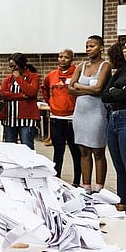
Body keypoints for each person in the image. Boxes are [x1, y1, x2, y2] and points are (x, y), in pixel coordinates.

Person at [102, 36, 126, 220]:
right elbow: (105, 95)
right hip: (114, 120)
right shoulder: (120, 72)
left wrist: (117, 92)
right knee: (119, 167)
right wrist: (118, 92)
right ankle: (121, 204)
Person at [68, 35, 111, 194]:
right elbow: (70, 89)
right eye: (86, 46)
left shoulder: (105, 65)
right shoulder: (81, 66)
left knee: (98, 151)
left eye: (92, 46)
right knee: (83, 151)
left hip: (97, 113)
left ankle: (100, 189)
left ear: (100, 47)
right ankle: (86, 188)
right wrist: (85, 90)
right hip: (80, 113)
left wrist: (79, 87)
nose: (88, 49)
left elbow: (99, 89)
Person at [41, 49, 81, 186]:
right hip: (56, 116)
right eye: (60, 56)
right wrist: (50, 103)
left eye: (66, 57)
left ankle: (77, 181)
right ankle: (56, 178)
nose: (63, 59)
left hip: (72, 117)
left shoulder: (77, 73)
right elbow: (44, 88)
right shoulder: (51, 75)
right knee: (58, 150)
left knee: (75, 151)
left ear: (72, 59)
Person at [0, 52, 40, 150]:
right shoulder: (8, 79)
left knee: (27, 147)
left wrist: (19, 78)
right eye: (10, 67)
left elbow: (31, 92)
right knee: (10, 148)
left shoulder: (33, 77)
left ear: (21, 64)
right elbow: (2, 94)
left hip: (27, 119)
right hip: (10, 119)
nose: (12, 69)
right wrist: (21, 96)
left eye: (14, 66)